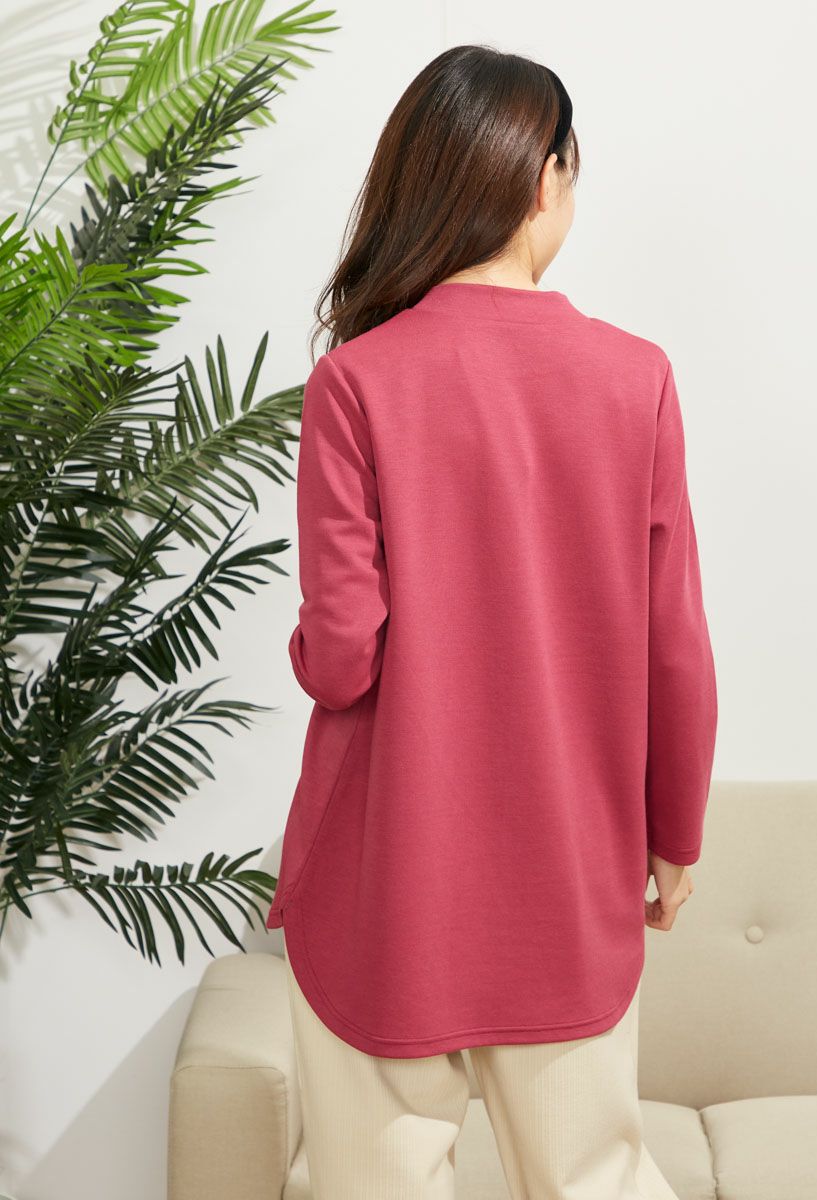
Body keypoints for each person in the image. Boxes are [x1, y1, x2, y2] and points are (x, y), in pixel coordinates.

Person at [266, 42, 718, 1200]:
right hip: (567, 880)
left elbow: (341, 660)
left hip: (385, 885)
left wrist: (311, 641)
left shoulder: (355, 382)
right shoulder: (637, 379)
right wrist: (673, 837)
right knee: (594, 1182)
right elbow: (674, 645)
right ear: (542, 177)